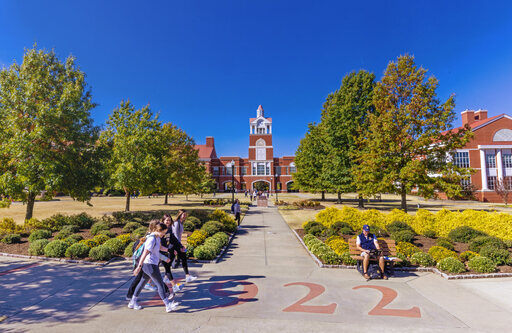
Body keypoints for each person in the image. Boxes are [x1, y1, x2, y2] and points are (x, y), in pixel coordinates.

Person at [128, 221, 179, 312]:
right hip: (149, 265)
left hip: (150, 264)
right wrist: (139, 266)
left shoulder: (157, 238)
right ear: (159, 230)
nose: (164, 235)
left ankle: (132, 302)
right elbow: (145, 252)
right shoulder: (151, 239)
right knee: (160, 284)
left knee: (142, 283)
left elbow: (159, 248)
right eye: (163, 232)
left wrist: (169, 250)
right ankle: (168, 305)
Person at [161, 214, 197, 292]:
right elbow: (161, 243)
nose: (168, 222)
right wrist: (169, 250)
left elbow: (173, 238)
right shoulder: (160, 229)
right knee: (153, 273)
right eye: (166, 220)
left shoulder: (169, 229)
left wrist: (180, 246)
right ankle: (169, 285)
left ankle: (171, 285)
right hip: (159, 252)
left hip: (165, 251)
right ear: (163, 220)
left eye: (169, 220)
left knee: (166, 268)